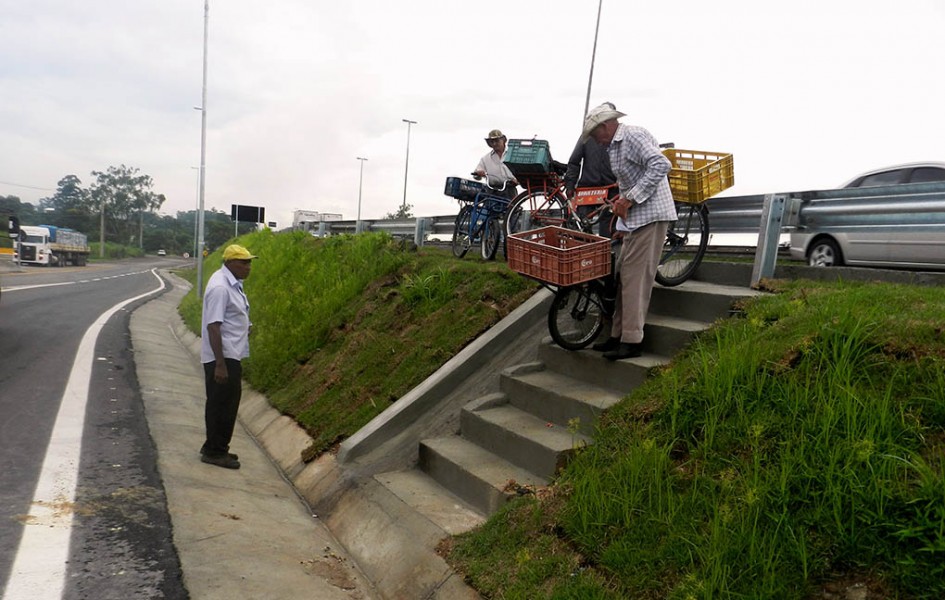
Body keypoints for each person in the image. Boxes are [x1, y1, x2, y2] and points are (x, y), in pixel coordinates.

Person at [582, 103, 677, 361]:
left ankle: (633, 340)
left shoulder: (633, 135)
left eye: (594, 133)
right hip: (636, 219)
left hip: (652, 216)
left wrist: (631, 199)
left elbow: (661, 164)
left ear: (605, 126)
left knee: (636, 278)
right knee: (624, 275)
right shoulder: (613, 146)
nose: (594, 140)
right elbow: (627, 185)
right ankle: (618, 335)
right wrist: (623, 219)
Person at [199, 243, 257, 469]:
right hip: (222, 356)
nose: (248, 267)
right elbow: (214, 327)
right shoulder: (221, 287)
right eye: (243, 262)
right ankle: (215, 452)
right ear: (230, 263)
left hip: (231, 353)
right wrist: (220, 365)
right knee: (223, 405)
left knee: (222, 403)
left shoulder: (232, 283)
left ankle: (214, 446)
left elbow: (232, 315)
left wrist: (246, 326)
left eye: (249, 262)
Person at [564, 103, 619, 238]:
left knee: (602, 228)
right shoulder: (587, 136)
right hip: (590, 189)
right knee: (584, 227)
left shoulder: (614, 137)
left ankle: (604, 255)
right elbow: (574, 161)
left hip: (606, 188)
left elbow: (574, 161)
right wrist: (570, 185)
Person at [473, 129, 519, 200]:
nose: (494, 144)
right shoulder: (485, 158)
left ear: (503, 140)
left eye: (497, 141)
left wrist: (517, 180)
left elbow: (521, 172)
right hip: (491, 191)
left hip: (510, 190)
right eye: (492, 142)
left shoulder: (513, 155)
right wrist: (478, 174)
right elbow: (476, 175)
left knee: (512, 209)